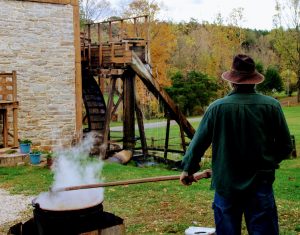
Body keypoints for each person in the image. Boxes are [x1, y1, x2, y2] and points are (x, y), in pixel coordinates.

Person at [180, 54, 293, 235]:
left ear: (231, 81)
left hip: (226, 185)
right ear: (254, 80)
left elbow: (198, 143)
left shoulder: (217, 108)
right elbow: (286, 146)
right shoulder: (271, 106)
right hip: (260, 184)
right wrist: (268, 161)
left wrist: (188, 169)